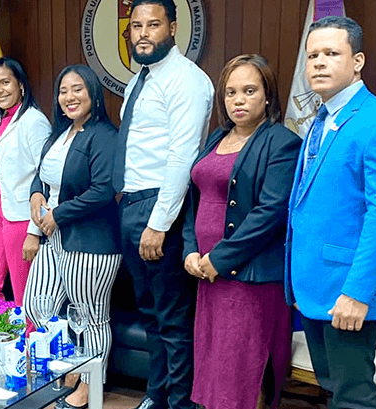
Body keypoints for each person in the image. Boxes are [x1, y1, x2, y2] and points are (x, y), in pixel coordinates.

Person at [286, 16, 376, 409]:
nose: (318, 63)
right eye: (312, 56)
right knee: (333, 390)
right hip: (313, 284)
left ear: (357, 61)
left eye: (331, 53)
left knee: (353, 397)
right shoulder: (320, 120)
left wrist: (356, 293)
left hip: (348, 291)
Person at [182, 54, 301, 409]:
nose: (238, 99)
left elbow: (271, 213)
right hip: (207, 275)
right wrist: (190, 250)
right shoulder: (217, 137)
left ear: (268, 96)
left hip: (249, 280)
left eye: (249, 91)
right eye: (231, 92)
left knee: (241, 372)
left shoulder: (281, 142)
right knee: (214, 368)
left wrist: (218, 259)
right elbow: (195, 201)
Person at [113, 1, 214, 408]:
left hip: (161, 207)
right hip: (132, 205)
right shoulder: (141, 79)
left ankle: (179, 402)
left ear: (172, 28)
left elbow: (182, 156)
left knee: (172, 319)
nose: (142, 33)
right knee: (150, 313)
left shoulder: (186, 80)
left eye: (152, 25)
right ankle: (156, 395)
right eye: (136, 25)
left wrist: (158, 223)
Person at [22, 64, 122, 409]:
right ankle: (70, 367)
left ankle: (88, 387)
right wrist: (36, 195)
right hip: (55, 238)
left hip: (91, 239)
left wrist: (57, 214)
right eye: (63, 91)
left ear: (93, 93)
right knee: (37, 305)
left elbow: (103, 190)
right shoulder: (59, 133)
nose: (69, 97)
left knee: (92, 317)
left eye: (77, 89)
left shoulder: (104, 135)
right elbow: (43, 176)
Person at [0, 57, 50, 307]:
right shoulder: (0, 121)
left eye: (5, 82)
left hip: (22, 219)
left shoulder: (33, 120)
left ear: (21, 85)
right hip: (0, 216)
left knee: (25, 296)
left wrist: (34, 231)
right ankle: (2, 343)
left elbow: (45, 178)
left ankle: (30, 345)